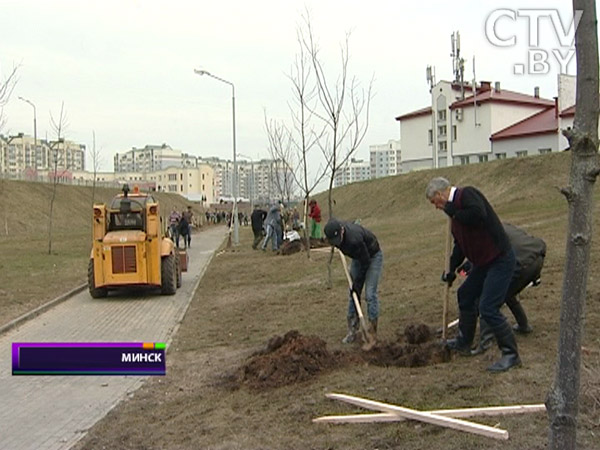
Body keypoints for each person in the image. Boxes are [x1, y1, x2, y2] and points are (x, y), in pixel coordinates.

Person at [426, 176, 520, 372]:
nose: (436, 207)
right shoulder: (454, 217)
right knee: (465, 294)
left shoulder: (466, 195)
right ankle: (464, 342)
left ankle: (511, 355)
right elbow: (460, 246)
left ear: (440, 194)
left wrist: (453, 211)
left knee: (488, 307)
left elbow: (477, 215)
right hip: (482, 263)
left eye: (435, 202)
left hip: (499, 259)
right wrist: (450, 269)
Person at [470, 223, 546, 354]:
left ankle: (485, 341)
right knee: (507, 293)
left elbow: (485, 263)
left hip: (520, 262)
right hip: (537, 255)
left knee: (488, 300)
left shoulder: (483, 235)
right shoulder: (500, 225)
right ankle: (524, 325)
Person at [324, 218, 383, 344]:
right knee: (353, 294)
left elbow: (366, 262)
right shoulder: (336, 233)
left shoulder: (354, 239)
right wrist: (355, 287)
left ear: (342, 232)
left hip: (372, 256)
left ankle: (372, 331)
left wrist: (357, 283)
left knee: (370, 294)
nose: (337, 243)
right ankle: (352, 330)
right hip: (358, 257)